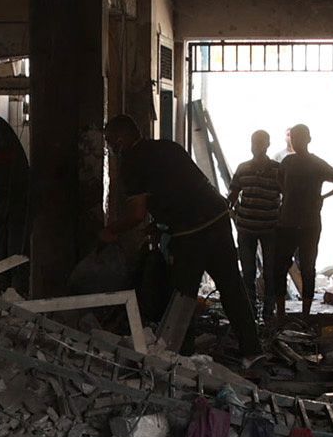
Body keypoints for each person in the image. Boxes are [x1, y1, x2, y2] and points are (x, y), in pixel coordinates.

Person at [103, 114, 261, 361]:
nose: (110, 148)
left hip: (190, 233)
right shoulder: (169, 147)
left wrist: (111, 230)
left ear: (121, 140)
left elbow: (136, 214)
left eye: (110, 141)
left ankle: (182, 354)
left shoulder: (132, 163)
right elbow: (183, 188)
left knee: (183, 293)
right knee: (232, 286)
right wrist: (160, 224)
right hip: (218, 218)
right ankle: (252, 350)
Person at [276, 123, 333, 316]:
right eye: (293, 138)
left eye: (299, 138)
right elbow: (280, 182)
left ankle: (303, 313)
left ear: (308, 140)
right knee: (285, 266)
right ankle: (283, 312)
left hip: (303, 223)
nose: (296, 142)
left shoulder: (310, 163)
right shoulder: (291, 162)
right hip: (296, 221)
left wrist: (324, 197)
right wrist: (321, 197)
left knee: (305, 267)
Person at [228, 129, 290, 328]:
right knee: (248, 272)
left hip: (270, 229)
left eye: (260, 143)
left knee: (270, 272)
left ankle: (268, 313)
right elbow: (232, 195)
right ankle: (251, 313)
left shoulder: (277, 170)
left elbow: (287, 196)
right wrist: (230, 213)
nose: (256, 147)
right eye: (254, 143)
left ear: (267, 145)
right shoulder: (243, 168)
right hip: (246, 228)